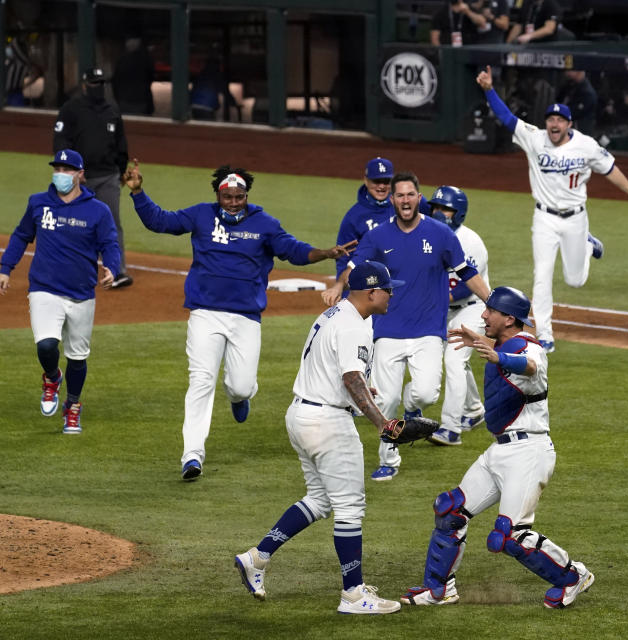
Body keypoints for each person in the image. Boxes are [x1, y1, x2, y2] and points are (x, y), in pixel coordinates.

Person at [122, 161, 355, 480]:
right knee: (201, 380)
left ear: (247, 195)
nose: (233, 202)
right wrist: (137, 192)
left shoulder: (264, 224)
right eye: (227, 196)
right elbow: (160, 222)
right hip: (205, 313)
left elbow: (293, 251)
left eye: (239, 196)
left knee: (241, 385)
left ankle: (239, 397)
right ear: (218, 194)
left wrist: (325, 253)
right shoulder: (201, 214)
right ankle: (192, 454)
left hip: (245, 318)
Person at [400, 286, 594, 609]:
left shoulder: (532, 349)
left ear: (508, 318)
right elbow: (508, 354)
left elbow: (529, 367)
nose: (483, 315)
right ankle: (439, 590)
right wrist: (487, 345)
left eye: (490, 310)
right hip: (500, 451)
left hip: (528, 452)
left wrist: (497, 355)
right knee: (450, 511)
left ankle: (572, 576)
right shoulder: (502, 343)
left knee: (508, 535)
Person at [234, 261, 404, 614]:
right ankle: (354, 595)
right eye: (388, 289)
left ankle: (257, 557)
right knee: (349, 508)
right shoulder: (353, 326)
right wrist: (382, 423)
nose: (391, 294)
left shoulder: (336, 313)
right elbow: (351, 380)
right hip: (327, 423)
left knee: (321, 499)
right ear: (371, 292)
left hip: (301, 415)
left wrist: (361, 393)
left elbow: (340, 372)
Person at [320, 172, 491, 481]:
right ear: (394, 200)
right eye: (399, 195)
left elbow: (467, 272)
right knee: (385, 400)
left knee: (426, 394)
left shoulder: (440, 234)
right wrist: (336, 287)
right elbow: (354, 266)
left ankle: (412, 410)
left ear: (418, 196)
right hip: (387, 329)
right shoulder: (378, 236)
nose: (405, 200)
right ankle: (388, 458)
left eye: (410, 194)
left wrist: (491, 302)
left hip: (428, 329)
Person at [476, 64, 628, 353]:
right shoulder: (535, 137)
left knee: (575, 280)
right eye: (550, 119)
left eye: (560, 120)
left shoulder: (586, 145)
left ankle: (588, 245)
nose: (554, 124)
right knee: (541, 276)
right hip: (543, 217)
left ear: (570, 124)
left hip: (575, 219)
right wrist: (489, 90)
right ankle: (545, 335)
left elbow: (611, 169)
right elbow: (507, 118)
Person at [0, 150, 121, 435]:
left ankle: (73, 406)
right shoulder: (38, 203)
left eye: (68, 169)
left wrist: (112, 269)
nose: (61, 174)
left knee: (78, 358)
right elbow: (20, 235)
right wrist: (6, 268)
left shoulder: (98, 210)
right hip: (44, 288)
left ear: (80, 174)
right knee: (45, 345)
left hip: (81, 293)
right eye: (58, 168)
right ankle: (52, 377)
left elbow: (110, 244)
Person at [54, 67, 133, 288]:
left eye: (101, 84)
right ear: (84, 85)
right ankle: (66, 270)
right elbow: (60, 143)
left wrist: (120, 170)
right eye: (94, 84)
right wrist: (71, 172)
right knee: (71, 222)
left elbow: (121, 144)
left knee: (111, 224)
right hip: (77, 179)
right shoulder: (71, 109)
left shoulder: (112, 110)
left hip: (108, 176)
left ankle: (116, 272)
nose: (98, 88)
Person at [426, 185, 488, 446]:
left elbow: (465, 286)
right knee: (454, 360)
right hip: (443, 308)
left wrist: (433, 302)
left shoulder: (470, 241)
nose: (440, 213)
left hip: (472, 307)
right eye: (436, 208)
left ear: (459, 213)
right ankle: (474, 410)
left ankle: (451, 429)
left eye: (446, 209)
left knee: (453, 359)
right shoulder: (426, 234)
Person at [333, 157, 431, 280]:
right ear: (366, 180)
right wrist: (344, 289)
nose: (381, 186)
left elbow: (437, 219)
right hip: (373, 282)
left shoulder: (409, 201)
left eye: (386, 181)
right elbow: (344, 258)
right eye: (376, 181)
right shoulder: (354, 217)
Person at [111, 37, 155, 116]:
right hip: (140, 100)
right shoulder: (144, 60)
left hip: (124, 100)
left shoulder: (121, 61)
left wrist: (118, 97)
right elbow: (150, 77)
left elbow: (115, 81)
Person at [557, 70, 598, 137]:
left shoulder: (587, 92)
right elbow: (559, 99)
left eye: (570, 70)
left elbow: (574, 113)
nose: (567, 73)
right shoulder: (569, 86)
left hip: (580, 132)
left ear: (579, 72)